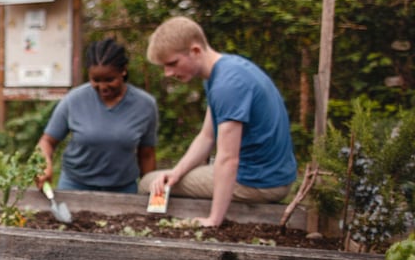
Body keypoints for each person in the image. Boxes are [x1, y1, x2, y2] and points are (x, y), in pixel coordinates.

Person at [139, 16, 297, 227]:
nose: (168, 73)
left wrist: (214, 219)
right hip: (270, 176)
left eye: (172, 63)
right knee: (165, 179)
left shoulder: (227, 85)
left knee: (148, 183)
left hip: (260, 182)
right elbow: (207, 137)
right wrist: (176, 172)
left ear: (195, 51)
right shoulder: (224, 72)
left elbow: (228, 158)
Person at [35, 38, 158, 193]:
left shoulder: (144, 105)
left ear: (123, 71)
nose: (103, 87)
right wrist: (44, 164)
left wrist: (151, 193)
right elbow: (47, 141)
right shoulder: (74, 100)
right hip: (75, 185)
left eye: (109, 80)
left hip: (123, 188)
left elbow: (147, 155)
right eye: (96, 80)